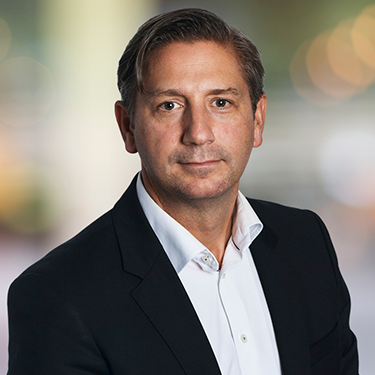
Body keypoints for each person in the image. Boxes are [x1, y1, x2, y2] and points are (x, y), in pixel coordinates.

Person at [7, 8, 358, 375]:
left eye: (221, 102)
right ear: (128, 127)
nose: (198, 132)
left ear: (257, 120)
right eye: (170, 105)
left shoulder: (306, 242)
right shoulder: (57, 296)